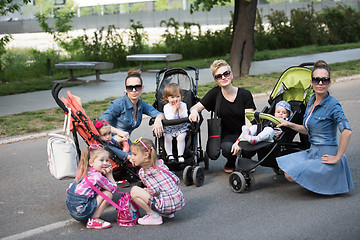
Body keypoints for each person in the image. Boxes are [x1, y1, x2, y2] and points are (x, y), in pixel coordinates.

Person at [276, 60, 354, 195]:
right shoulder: (311, 101)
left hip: (326, 155)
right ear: (311, 82)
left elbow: (347, 131)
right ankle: (317, 179)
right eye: (316, 80)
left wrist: (337, 157)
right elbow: (308, 130)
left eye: (324, 80)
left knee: (289, 175)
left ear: (330, 82)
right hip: (313, 152)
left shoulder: (333, 105)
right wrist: (289, 124)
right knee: (282, 165)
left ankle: (325, 180)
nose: (320, 83)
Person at [189, 59, 256, 173]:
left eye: (226, 74)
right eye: (219, 76)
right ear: (216, 80)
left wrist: (240, 140)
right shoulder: (215, 93)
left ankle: (246, 157)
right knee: (227, 148)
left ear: (231, 74)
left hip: (245, 132)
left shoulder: (245, 94)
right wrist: (194, 111)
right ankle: (231, 161)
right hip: (227, 135)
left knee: (248, 147)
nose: (223, 78)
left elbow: (249, 123)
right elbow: (195, 107)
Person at [129, 137, 185, 225]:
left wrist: (145, 191)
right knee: (159, 191)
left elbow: (154, 190)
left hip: (166, 204)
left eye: (134, 155)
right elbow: (176, 180)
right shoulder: (160, 164)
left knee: (134, 191)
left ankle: (154, 216)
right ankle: (168, 213)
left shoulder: (145, 172)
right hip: (177, 201)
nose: (132, 158)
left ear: (146, 155)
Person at [99, 69, 165, 140]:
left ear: (142, 88)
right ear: (125, 89)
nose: (134, 90)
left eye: (137, 87)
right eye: (130, 88)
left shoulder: (140, 104)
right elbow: (100, 123)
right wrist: (118, 131)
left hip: (125, 141)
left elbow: (159, 114)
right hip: (110, 140)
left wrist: (158, 120)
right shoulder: (118, 104)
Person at [66, 144, 117, 229]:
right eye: (101, 160)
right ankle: (94, 220)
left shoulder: (84, 171)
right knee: (108, 194)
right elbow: (113, 188)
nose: (105, 163)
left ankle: (88, 215)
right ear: (91, 162)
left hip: (72, 210)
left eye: (107, 160)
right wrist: (109, 175)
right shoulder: (97, 176)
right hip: (82, 212)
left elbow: (69, 190)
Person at [162, 83, 190, 163]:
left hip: (181, 127)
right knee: (167, 138)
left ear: (181, 96)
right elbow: (170, 119)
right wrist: (174, 109)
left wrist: (180, 109)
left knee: (181, 138)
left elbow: (185, 117)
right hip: (170, 127)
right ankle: (170, 155)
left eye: (178, 96)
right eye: (172, 97)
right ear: (167, 98)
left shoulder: (183, 105)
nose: (175, 99)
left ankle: (180, 155)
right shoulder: (166, 107)